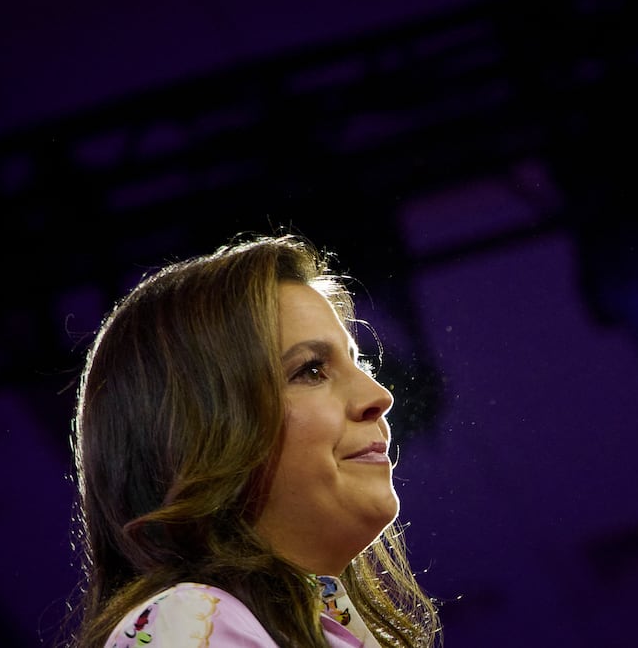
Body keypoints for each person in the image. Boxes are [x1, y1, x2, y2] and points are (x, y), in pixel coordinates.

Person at [66, 232, 440, 648]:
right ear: (201, 431)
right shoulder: (188, 624)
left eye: (359, 362)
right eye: (311, 371)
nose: (379, 396)